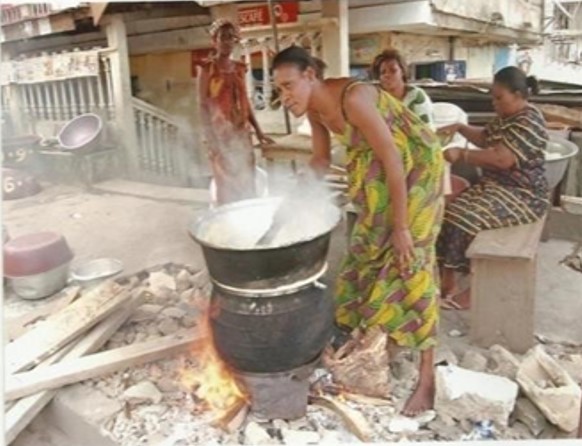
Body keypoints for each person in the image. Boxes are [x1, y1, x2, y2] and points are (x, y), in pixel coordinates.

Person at [272, 45, 444, 415]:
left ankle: (427, 378)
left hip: (416, 171)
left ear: (310, 76)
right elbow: (319, 161)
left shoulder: (355, 98)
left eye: (288, 86)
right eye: (278, 90)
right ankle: (364, 344)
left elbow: (394, 158)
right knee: (365, 251)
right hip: (380, 172)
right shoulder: (316, 109)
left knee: (411, 261)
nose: (284, 97)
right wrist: (287, 207)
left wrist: (402, 227)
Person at [436, 66, 549, 310]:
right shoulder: (506, 117)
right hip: (496, 186)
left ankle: (477, 288)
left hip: (524, 194)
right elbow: (485, 137)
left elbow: (502, 158)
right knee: (449, 212)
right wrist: (459, 128)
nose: (494, 102)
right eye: (493, 97)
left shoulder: (528, 121)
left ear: (518, 95)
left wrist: (462, 154)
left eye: (499, 97)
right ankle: (448, 281)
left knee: (463, 220)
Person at [199, 19, 274, 205]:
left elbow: (245, 101)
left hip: (242, 134)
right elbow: (203, 105)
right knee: (226, 182)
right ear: (214, 41)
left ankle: (247, 215)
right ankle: (227, 217)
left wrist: (259, 132)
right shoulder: (208, 70)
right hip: (220, 136)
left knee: (246, 179)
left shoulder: (239, 68)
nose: (227, 42)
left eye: (231, 37)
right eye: (222, 37)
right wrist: (211, 138)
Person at [370, 49, 434, 127]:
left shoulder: (416, 96)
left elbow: (427, 129)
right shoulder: (377, 99)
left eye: (393, 70)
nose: (387, 75)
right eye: (383, 72)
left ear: (402, 72)